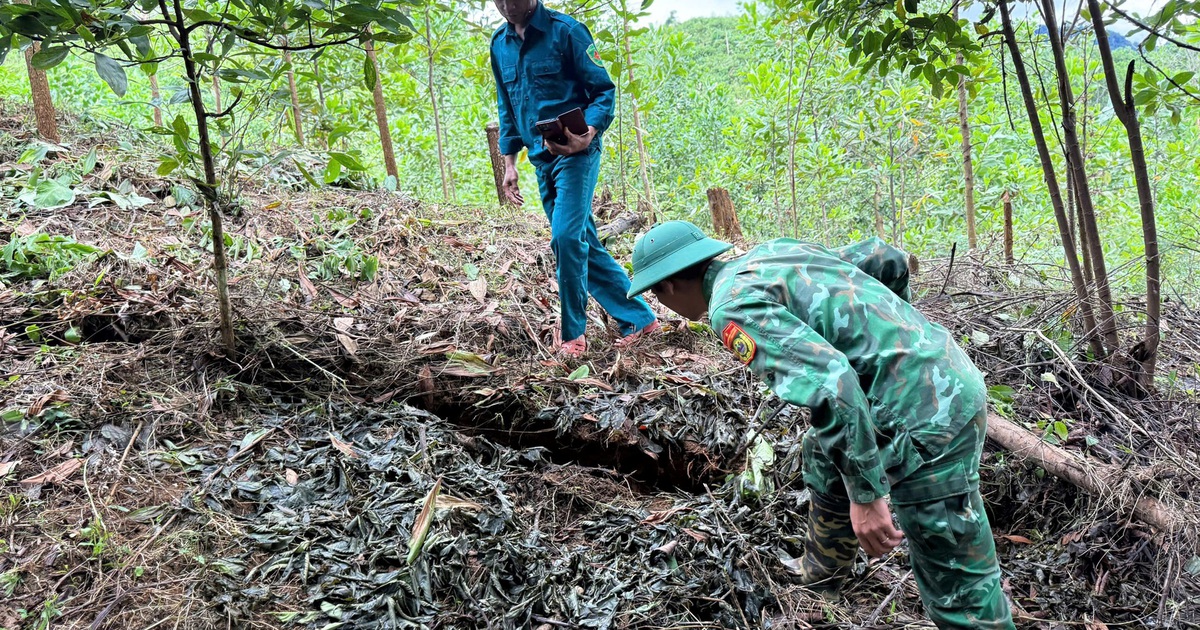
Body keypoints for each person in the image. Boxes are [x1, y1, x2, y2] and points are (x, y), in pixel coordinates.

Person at [625, 221, 1014, 629]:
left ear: (667, 287)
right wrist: (897, 337)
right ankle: (823, 574)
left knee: (958, 586)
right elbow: (886, 258)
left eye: (654, 293)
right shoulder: (772, 253)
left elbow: (832, 387)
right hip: (942, 367)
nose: (659, 302)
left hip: (924, 416)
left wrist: (866, 497)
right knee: (823, 448)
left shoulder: (730, 306)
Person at [489, 0, 658, 357]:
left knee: (565, 238)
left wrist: (590, 131)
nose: (506, 6)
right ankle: (641, 318)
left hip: (578, 155)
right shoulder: (499, 45)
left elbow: (603, 91)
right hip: (539, 159)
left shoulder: (567, 32)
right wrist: (510, 164)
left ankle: (572, 335)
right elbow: (507, 107)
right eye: (498, 0)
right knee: (582, 240)